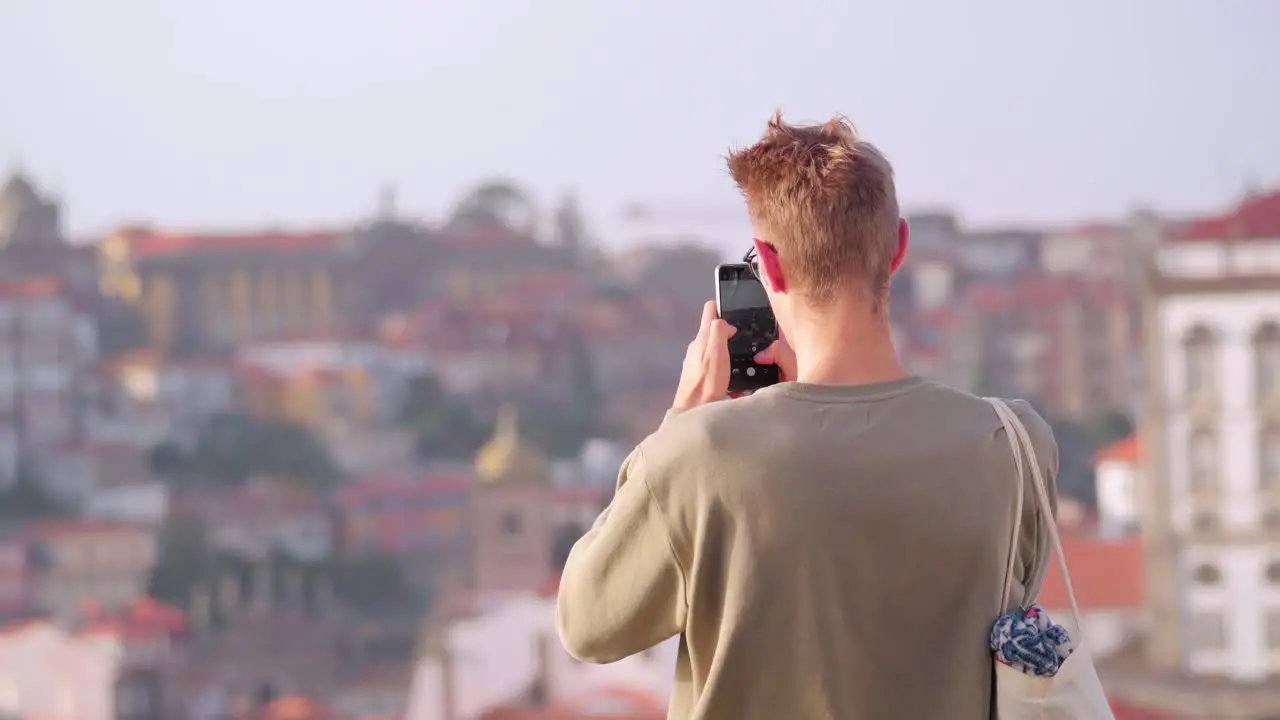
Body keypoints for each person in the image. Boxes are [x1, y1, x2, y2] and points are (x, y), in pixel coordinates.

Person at [556, 114, 1059, 719]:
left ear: (768, 265)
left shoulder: (697, 458)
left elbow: (587, 624)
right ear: (897, 249)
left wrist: (680, 421)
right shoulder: (1014, 445)